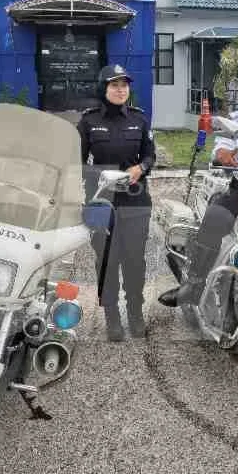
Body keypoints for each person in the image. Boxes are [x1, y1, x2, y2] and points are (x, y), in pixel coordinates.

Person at [158, 43, 238, 308]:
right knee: (216, 216)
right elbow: (221, 152)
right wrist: (229, 157)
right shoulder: (237, 120)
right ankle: (194, 285)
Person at [77, 64, 156, 341]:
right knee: (107, 261)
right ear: (104, 89)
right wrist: (101, 174)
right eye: (114, 85)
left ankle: (135, 312)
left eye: (124, 84)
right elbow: (75, 163)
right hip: (101, 203)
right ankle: (111, 317)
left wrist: (140, 169)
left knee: (135, 262)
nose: (121, 89)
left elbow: (150, 156)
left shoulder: (139, 119)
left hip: (136, 203)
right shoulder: (88, 121)